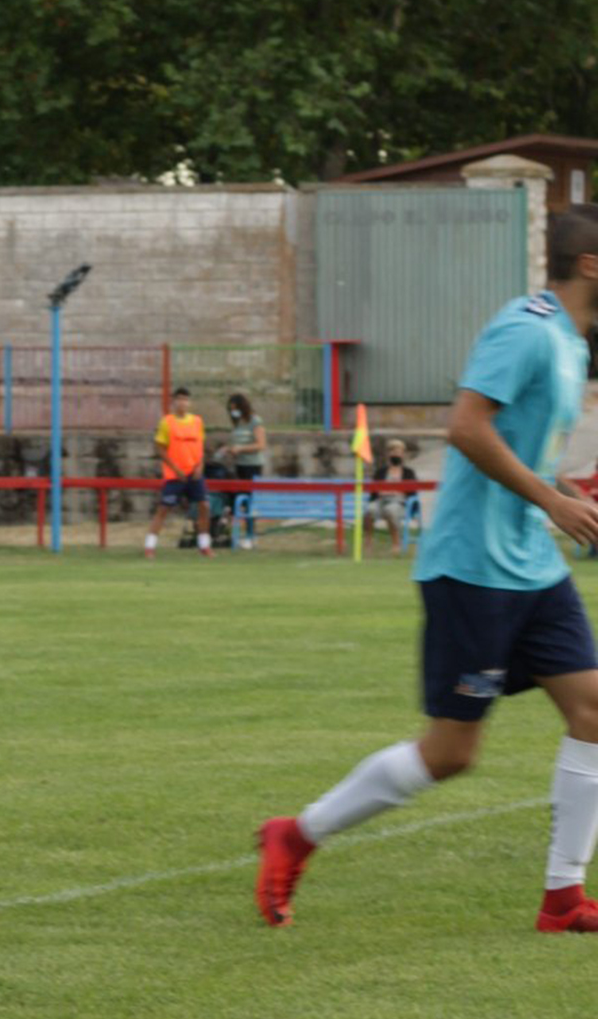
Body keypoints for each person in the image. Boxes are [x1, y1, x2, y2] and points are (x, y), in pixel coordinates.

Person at [256, 203, 598, 933]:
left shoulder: (572, 343)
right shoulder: (528, 329)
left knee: (595, 711)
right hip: (473, 569)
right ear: (591, 265)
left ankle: (563, 897)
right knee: (451, 753)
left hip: (532, 567)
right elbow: (465, 427)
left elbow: (522, 449)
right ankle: (297, 833)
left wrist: (568, 497)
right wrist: (552, 499)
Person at [144, 387, 212, 559]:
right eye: (179, 399)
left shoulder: (197, 421)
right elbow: (160, 449)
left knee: (204, 506)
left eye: (185, 399)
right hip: (175, 475)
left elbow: (200, 447)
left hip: (194, 474)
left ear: (189, 402)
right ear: (174, 402)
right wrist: (175, 469)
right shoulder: (167, 422)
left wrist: (200, 466)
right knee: (163, 509)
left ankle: (204, 545)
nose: (182, 403)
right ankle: (149, 546)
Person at [223, 393, 267, 548]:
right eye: (231, 410)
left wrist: (241, 449)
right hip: (239, 465)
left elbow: (261, 445)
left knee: (249, 501)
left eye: (236, 409)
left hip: (252, 465)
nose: (234, 412)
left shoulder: (255, 421)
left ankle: (250, 535)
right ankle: (238, 533)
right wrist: (229, 450)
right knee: (237, 499)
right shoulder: (238, 424)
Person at [364, 439, 420, 556]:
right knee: (370, 509)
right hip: (381, 500)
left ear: (403, 454)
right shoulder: (381, 472)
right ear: (388, 454)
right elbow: (373, 490)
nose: (396, 454)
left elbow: (413, 492)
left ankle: (396, 544)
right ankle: (368, 543)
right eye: (393, 451)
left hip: (399, 501)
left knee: (390, 510)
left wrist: (414, 510)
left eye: (399, 452)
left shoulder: (408, 472)